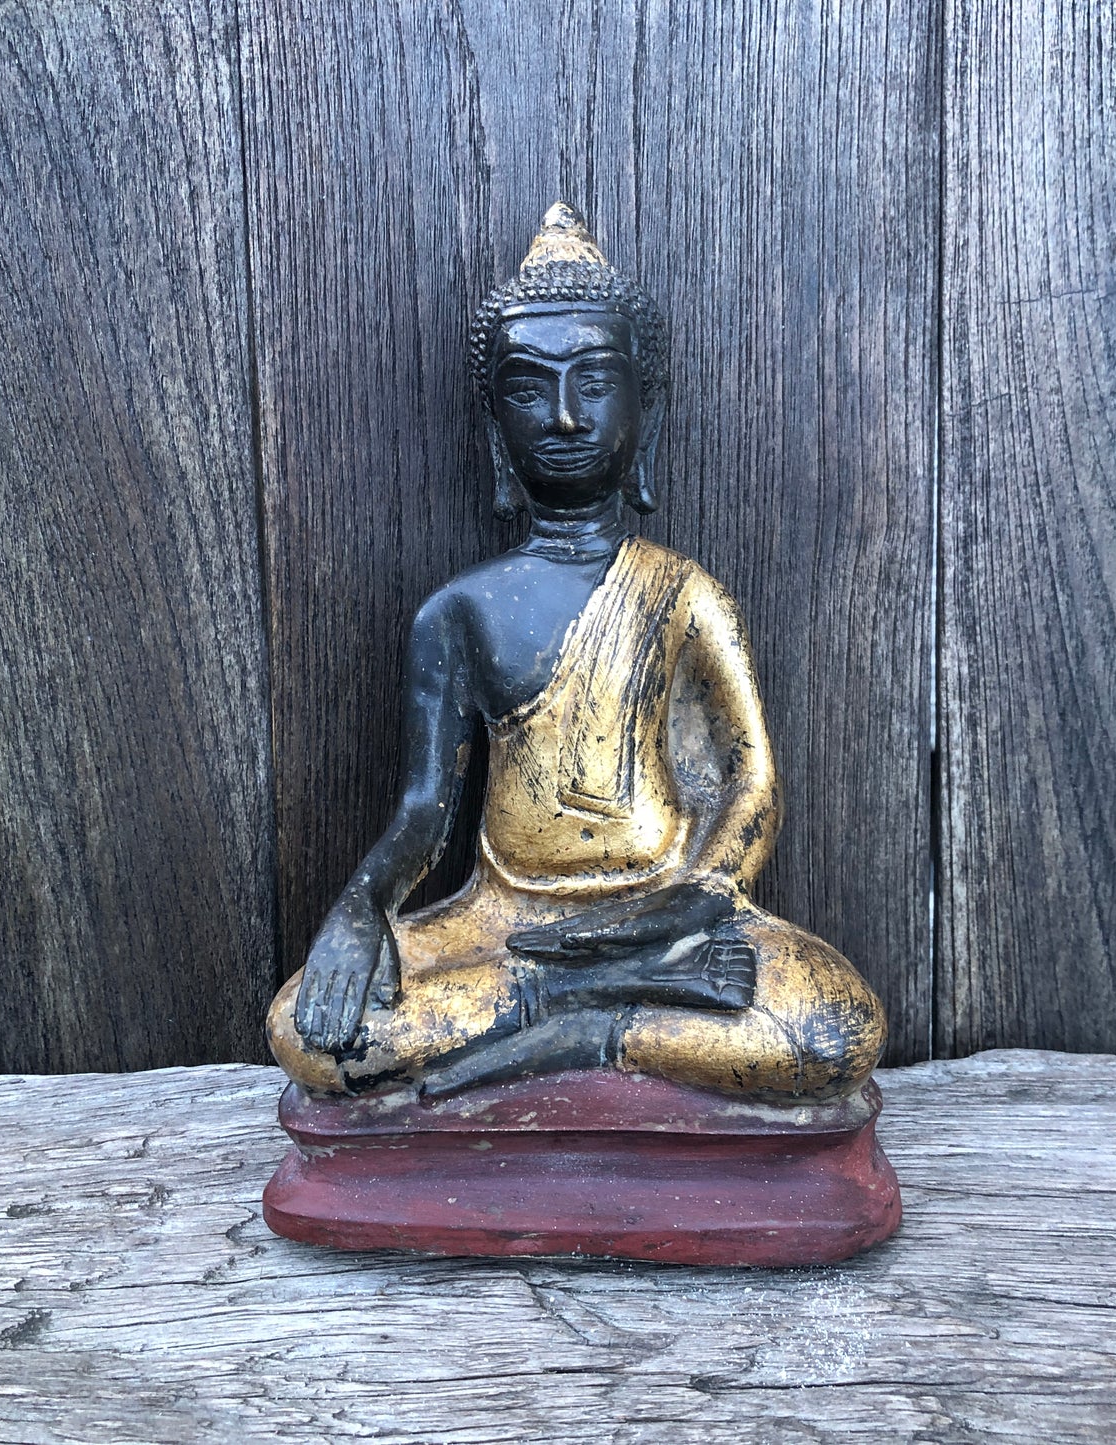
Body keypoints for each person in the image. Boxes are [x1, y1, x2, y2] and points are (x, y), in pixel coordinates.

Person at [267, 204, 885, 1101]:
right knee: (307, 1028)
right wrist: (361, 906)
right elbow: (423, 813)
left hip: (667, 918)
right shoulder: (458, 610)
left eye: (593, 383)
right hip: (503, 924)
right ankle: (590, 1007)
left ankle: (570, 1023)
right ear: (494, 425)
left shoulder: (684, 593)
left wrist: (698, 896)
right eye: (527, 391)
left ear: (645, 408)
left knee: (835, 1025)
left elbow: (748, 781)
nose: (561, 417)